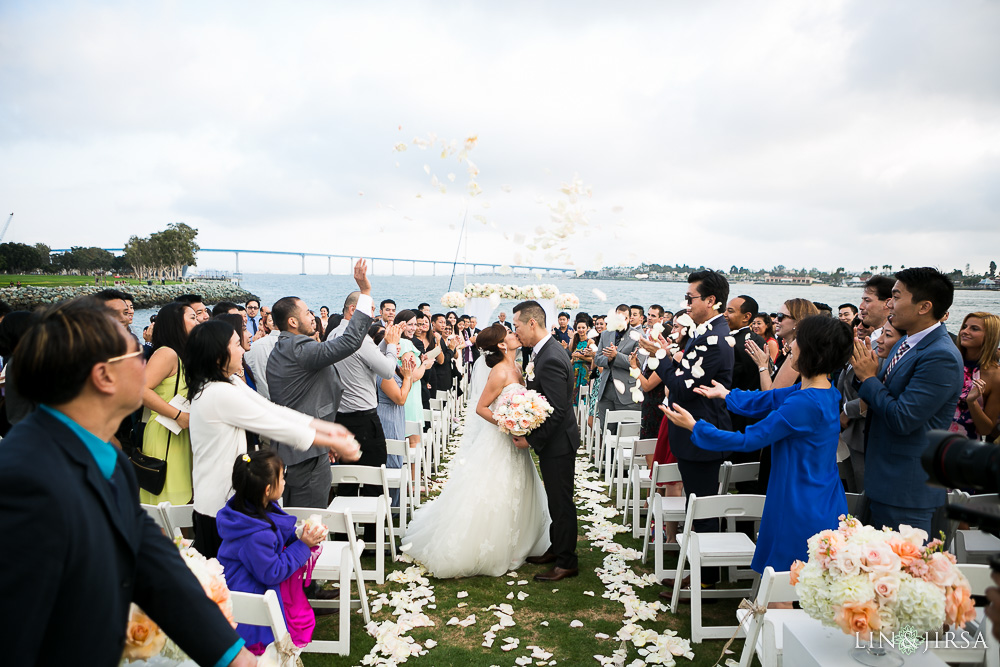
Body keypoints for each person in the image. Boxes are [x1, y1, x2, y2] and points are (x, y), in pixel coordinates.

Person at [0, 298, 255, 666]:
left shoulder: (111, 460)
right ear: (104, 376)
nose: (146, 364)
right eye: (137, 355)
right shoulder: (26, 481)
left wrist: (230, 653)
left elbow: (149, 560)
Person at [661, 315, 853, 573]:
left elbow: (748, 440)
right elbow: (769, 399)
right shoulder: (824, 391)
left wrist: (696, 426)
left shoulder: (804, 402)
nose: (790, 345)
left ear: (810, 351)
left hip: (799, 499)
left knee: (788, 573)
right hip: (823, 492)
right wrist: (727, 394)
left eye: (797, 341)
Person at [186, 319, 361, 557]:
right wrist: (331, 440)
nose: (244, 349)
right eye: (237, 344)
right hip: (217, 508)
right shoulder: (217, 393)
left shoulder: (230, 382)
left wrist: (325, 428)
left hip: (232, 502)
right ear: (218, 356)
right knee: (228, 585)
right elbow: (272, 425)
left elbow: (272, 409)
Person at [401, 323, 551, 577]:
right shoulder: (499, 372)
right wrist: (507, 424)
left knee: (521, 487)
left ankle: (519, 541)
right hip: (500, 439)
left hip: (517, 442)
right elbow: (481, 408)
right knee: (495, 489)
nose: (516, 335)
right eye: (511, 334)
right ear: (502, 345)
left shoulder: (516, 367)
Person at [851, 267, 964, 535]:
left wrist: (868, 379)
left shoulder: (940, 356)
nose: (890, 303)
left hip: (906, 488)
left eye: (897, 296)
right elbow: (882, 386)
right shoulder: (908, 343)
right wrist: (865, 372)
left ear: (924, 306)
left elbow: (903, 418)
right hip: (884, 478)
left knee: (902, 571)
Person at [649, 271, 734, 593]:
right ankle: (700, 572)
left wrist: (660, 358)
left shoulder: (714, 338)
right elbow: (684, 374)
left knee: (702, 508)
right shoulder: (708, 333)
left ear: (711, 301)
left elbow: (683, 389)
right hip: (694, 433)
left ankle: (705, 578)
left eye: (690, 299)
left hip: (701, 433)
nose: (686, 304)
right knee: (697, 505)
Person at [266, 259, 372, 509]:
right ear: (292, 322)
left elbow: (307, 399)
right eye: (306, 312)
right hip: (305, 454)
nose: (312, 316)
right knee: (309, 520)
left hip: (302, 447)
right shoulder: (298, 347)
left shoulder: (282, 348)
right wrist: (365, 293)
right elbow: (349, 342)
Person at [217, 450, 326, 654]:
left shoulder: (247, 509)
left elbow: (277, 535)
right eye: (282, 477)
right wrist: (302, 546)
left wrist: (297, 536)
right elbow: (272, 571)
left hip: (243, 587)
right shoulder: (256, 535)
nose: (284, 481)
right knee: (262, 647)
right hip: (251, 601)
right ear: (267, 489)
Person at [512, 301, 581, 581]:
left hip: (558, 442)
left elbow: (557, 409)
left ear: (531, 323)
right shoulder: (544, 351)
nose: (515, 332)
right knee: (555, 499)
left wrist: (531, 439)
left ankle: (567, 561)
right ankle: (557, 547)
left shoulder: (551, 356)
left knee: (561, 502)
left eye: (516, 326)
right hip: (556, 440)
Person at [139, 301, 199, 505]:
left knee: (181, 499)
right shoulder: (167, 353)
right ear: (176, 323)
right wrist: (178, 415)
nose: (198, 321)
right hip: (165, 431)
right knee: (167, 501)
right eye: (192, 317)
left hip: (180, 432)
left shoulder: (183, 354)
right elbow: (141, 390)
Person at [952, 312, 1000, 439]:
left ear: (990, 336)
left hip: (963, 448)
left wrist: (972, 402)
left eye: (974, 329)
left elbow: (985, 429)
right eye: (964, 327)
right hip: (930, 438)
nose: (964, 332)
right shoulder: (948, 361)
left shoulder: (995, 376)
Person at [595, 304, 640, 425]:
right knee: (606, 430)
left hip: (626, 390)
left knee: (625, 432)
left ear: (629, 318)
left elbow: (637, 364)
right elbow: (597, 359)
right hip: (606, 389)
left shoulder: (637, 336)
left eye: (624, 318)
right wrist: (608, 359)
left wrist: (616, 355)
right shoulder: (605, 334)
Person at [569, 319, 594, 405]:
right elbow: (573, 360)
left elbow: (593, 359)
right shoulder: (575, 341)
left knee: (583, 397)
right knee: (574, 396)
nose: (581, 330)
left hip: (585, 372)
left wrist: (581, 357)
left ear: (587, 328)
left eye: (583, 327)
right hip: (575, 372)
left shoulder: (590, 342)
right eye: (579, 327)